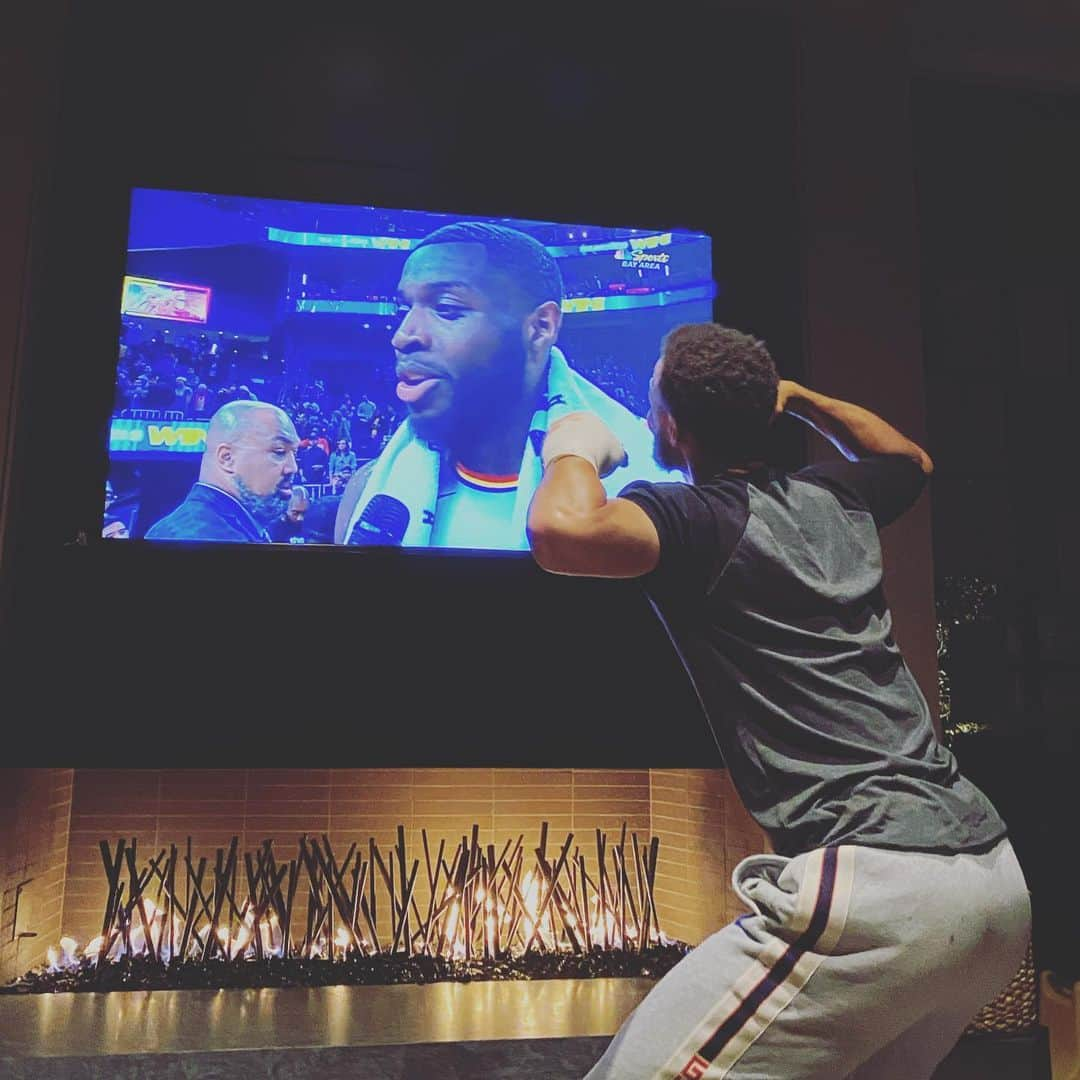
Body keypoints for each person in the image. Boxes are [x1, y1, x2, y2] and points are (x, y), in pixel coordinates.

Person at [527, 322, 1030, 1080]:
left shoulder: (697, 520)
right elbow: (908, 459)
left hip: (881, 893)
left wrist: (571, 443)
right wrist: (798, 400)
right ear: (766, 411)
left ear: (668, 424)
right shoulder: (837, 496)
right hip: (994, 886)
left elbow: (561, 530)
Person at [334, 221, 675, 550]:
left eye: (446, 309)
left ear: (540, 328)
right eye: (403, 309)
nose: (403, 336)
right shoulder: (368, 496)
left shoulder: (655, 493)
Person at [144, 400, 299, 542]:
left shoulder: (228, 526)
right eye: (279, 451)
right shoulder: (198, 537)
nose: (293, 468)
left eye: (295, 453)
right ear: (227, 458)